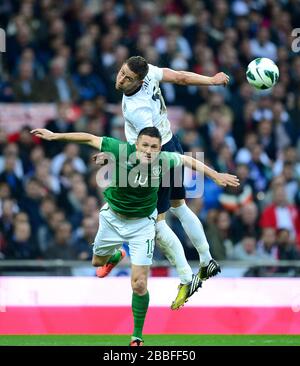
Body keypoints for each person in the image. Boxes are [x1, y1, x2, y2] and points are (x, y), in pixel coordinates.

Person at [31, 126, 239, 346]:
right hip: (112, 219)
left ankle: (136, 335)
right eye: (145, 145)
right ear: (136, 145)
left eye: (154, 147)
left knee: (139, 283)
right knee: (97, 262)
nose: (149, 151)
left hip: (143, 225)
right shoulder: (120, 149)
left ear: (160, 149)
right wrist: (55, 136)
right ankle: (115, 255)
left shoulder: (165, 160)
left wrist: (216, 175)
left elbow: (189, 161)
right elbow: (89, 137)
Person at [103, 56, 230, 309]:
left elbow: (150, 145)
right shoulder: (148, 71)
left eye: (127, 77)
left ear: (139, 79)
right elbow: (180, 77)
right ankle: (206, 261)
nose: (121, 78)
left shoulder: (137, 111)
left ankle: (186, 278)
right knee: (180, 206)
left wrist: (132, 164)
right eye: (121, 73)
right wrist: (212, 81)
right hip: (171, 141)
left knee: (155, 223)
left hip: (154, 156)